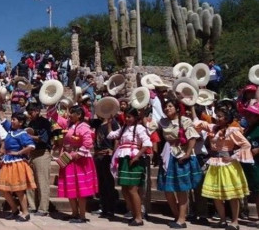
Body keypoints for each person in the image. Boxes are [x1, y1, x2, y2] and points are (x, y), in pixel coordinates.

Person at [196, 105, 252, 230]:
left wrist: (233, 156)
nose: (217, 118)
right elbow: (198, 123)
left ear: (227, 119)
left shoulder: (233, 131)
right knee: (216, 195)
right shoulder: (213, 128)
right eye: (217, 115)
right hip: (215, 164)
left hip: (228, 165)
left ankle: (235, 221)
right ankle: (222, 219)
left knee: (232, 195)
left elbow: (246, 145)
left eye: (220, 116)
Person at [156, 99, 203, 229]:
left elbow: (192, 137)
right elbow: (150, 128)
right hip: (167, 154)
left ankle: (182, 219)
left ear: (177, 108)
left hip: (181, 154)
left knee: (181, 188)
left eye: (170, 106)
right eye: (165, 107)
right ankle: (177, 215)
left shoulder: (185, 120)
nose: (167, 108)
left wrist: (187, 154)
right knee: (167, 189)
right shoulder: (162, 121)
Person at [107, 108, 152, 226]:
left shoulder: (140, 128)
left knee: (132, 189)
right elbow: (111, 135)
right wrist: (109, 123)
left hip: (133, 159)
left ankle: (138, 217)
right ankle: (133, 213)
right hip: (123, 159)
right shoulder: (123, 129)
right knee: (125, 189)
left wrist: (137, 156)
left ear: (135, 117)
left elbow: (147, 143)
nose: (127, 119)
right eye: (126, 117)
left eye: (129, 117)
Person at [56, 105, 98, 223]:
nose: (69, 115)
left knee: (80, 188)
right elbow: (56, 118)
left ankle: (83, 215)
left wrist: (76, 154)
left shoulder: (84, 127)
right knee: (71, 186)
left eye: (72, 113)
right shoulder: (69, 124)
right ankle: (74, 213)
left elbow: (88, 143)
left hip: (80, 161)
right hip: (69, 159)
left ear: (79, 115)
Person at [0, 112, 36, 222]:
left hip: (17, 163)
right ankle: (14, 210)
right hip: (8, 161)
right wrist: (0, 103)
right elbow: (2, 118)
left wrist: (19, 152)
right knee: (4, 189)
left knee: (18, 190)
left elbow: (31, 146)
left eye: (14, 119)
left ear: (21, 122)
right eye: (12, 119)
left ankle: (25, 213)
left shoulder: (22, 134)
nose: (12, 121)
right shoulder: (11, 129)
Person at [92, 115, 120, 218]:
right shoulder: (97, 123)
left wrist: (114, 151)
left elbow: (116, 138)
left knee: (109, 183)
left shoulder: (113, 123)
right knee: (101, 183)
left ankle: (110, 209)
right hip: (98, 155)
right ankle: (103, 207)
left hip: (108, 155)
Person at [242, 103, 259, 224]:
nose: (247, 116)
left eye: (251, 114)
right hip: (250, 166)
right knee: (256, 193)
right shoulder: (249, 128)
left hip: (257, 165)